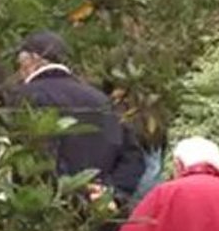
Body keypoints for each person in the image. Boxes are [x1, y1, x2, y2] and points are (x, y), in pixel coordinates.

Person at [9, 31, 145, 207]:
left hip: (43, 214)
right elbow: (132, 156)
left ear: (30, 60)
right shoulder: (100, 99)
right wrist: (112, 192)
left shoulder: (21, 99)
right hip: (99, 212)